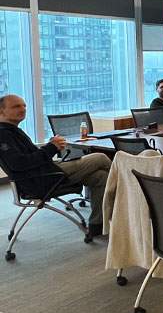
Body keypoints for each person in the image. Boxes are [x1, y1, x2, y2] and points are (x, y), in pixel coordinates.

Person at [0, 95, 111, 236]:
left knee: (99, 176)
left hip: (44, 172)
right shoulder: (4, 135)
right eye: (16, 106)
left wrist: (50, 147)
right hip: (41, 179)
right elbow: (19, 163)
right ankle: (131, 195)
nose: (23, 109)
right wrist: (51, 148)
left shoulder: (12, 131)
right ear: (1, 111)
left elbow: (28, 158)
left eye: (24, 106)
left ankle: (97, 224)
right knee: (100, 158)